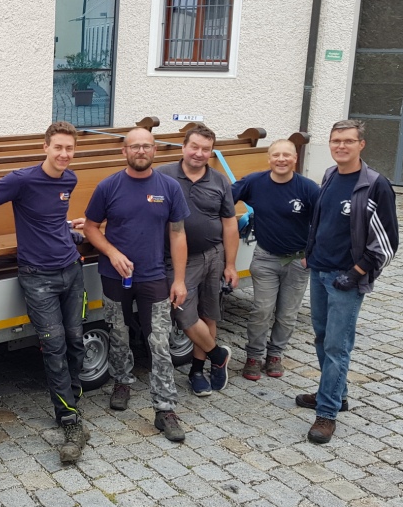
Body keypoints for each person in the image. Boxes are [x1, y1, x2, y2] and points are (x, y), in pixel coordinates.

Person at [0, 121, 89, 463]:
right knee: (54, 346)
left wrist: (67, 230)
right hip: (37, 277)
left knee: (76, 340)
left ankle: (74, 399)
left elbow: (52, 215)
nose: (64, 154)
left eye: (69, 148)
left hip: (71, 270)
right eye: (58, 147)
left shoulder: (69, 179)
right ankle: (68, 417)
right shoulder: (22, 179)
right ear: (45, 147)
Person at [82, 128, 190, 442]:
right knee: (118, 332)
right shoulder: (109, 186)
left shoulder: (169, 187)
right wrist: (113, 253)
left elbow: (178, 233)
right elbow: (90, 227)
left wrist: (179, 279)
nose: (140, 151)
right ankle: (122, 381)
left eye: (146, 146)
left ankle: (165, 407)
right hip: (114, 276)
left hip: (154, 276)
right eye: (134, 146)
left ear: (154, 150)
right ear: (124, 151)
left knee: (159, 341)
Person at [299, 119, 398, 444]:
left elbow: (386, 243)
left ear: (361, 145)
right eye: (336, 140)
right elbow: (321, 221)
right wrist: (310, 254)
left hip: (346, 279)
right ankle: (335, 394)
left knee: (337, 347)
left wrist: (355, 273)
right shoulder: (330, 175)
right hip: (320, 271)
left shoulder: (375, 185)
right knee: (321, 337)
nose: (341, 146)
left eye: (348, 141)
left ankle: (327, 414)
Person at [156, 124, 236, 397]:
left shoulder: (219, 180)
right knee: (184, 314)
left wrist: (230, 264)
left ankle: (198, 371)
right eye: (194, 147)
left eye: (205, 149)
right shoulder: (163, 175)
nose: (199, 153)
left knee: (208, 313)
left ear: (211, 152)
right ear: (183, 147)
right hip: (178, 260)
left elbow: (229, 224)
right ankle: (218, 354)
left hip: (213, 254)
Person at [232, 139, 320, 380]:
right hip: (265, 258)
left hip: (298, 260)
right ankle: (253, 356)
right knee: (262, 309)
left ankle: (275, 355)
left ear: (295, 159)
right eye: (276, 155)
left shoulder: (308, 188)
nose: (281, 159)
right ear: (269, 158)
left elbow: (323, 222)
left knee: (287, 314)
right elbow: (224, 199)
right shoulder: (254, 182)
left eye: (287, 155)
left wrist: (312, 254)